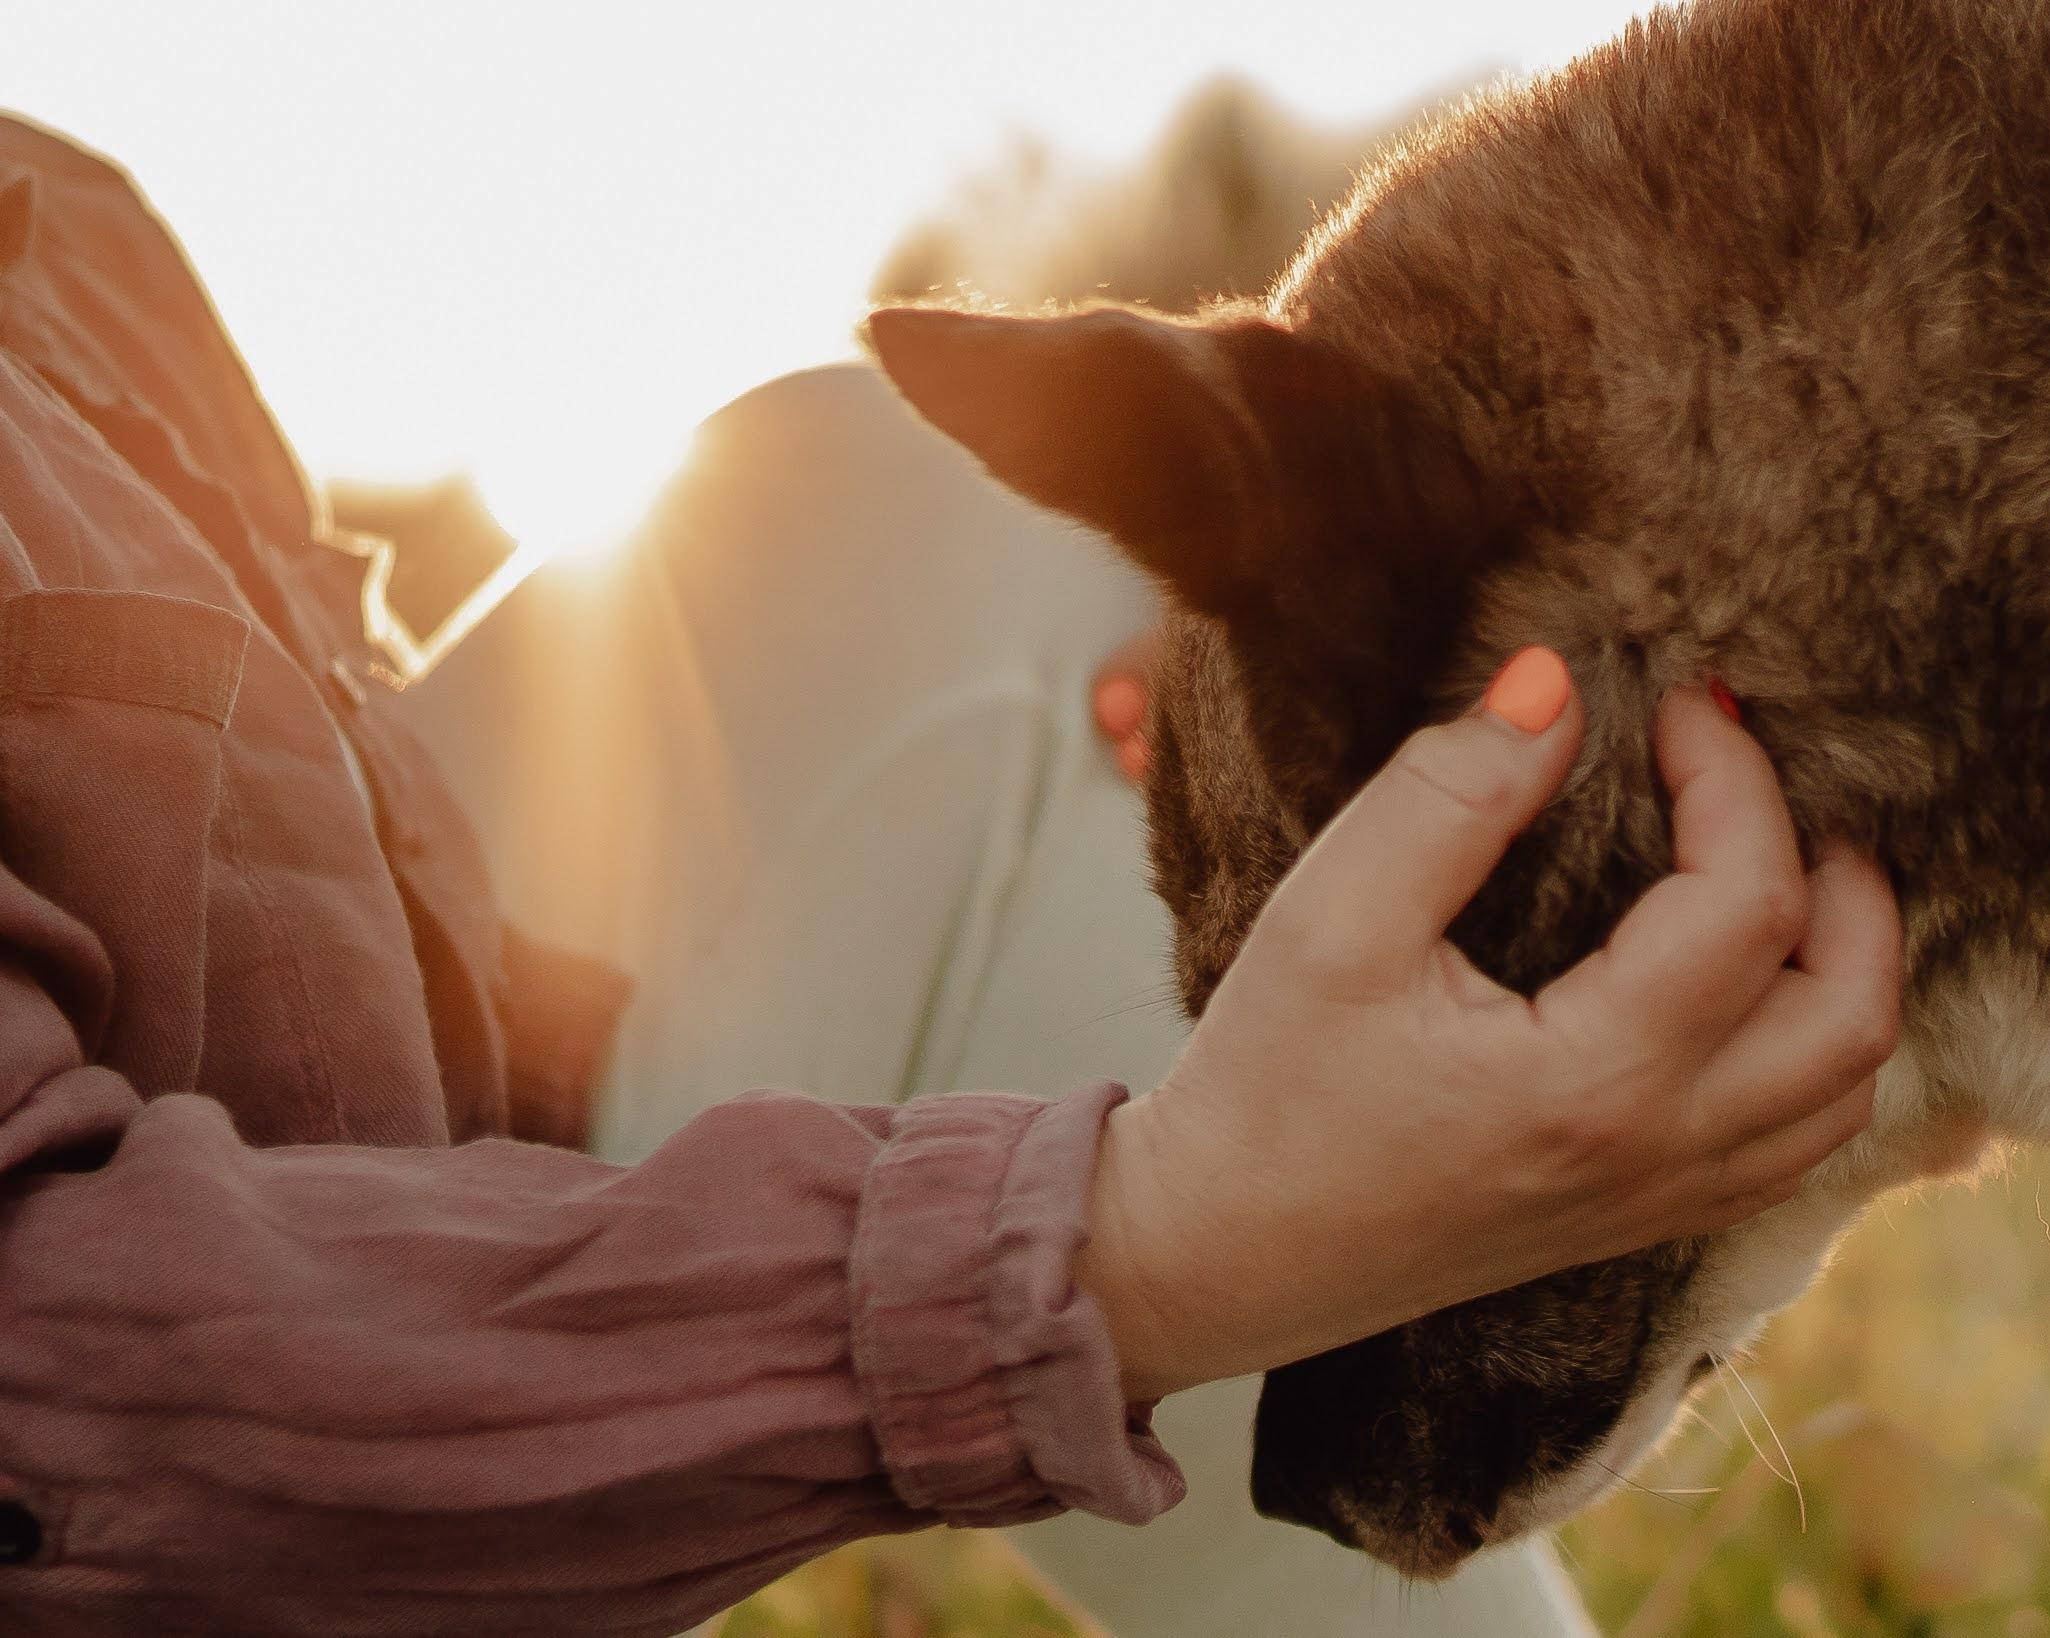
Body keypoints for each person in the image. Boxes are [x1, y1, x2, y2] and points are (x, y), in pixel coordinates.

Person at [0, 116, 1899, 1637]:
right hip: (189, 1441)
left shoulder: (63, 213)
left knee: (857, 494)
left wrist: (1239, 699)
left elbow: (320, 788)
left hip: (395, 1121)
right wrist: (1130, 1253)